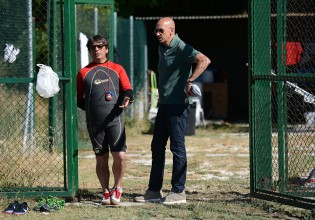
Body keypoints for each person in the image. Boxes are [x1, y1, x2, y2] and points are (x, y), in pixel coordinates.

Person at [134, 17, 211, 204]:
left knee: (177, 147)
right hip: (165, 104)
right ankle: (153, 191)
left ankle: (178, 191)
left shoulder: (182, 47)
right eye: (156, 31)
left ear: (171, 30)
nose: (157, 34)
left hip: (178, 105)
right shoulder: (163, 47)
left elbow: (204, 60)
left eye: (161, 30)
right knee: (157, 146)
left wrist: (190, 80)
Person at [77, 35, 134, 205]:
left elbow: (128, 90)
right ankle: (105, 191)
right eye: (93, 47)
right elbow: (79, 99)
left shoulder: (117, 68)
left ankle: (117, 188)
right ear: (89, 50)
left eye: (100, 46)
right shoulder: (83, 72)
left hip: (115, 119)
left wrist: (127, 98)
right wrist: (93, 110)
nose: (97, 50)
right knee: (101, 158)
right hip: (95, 124)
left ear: (107, 49)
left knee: (120, 156)